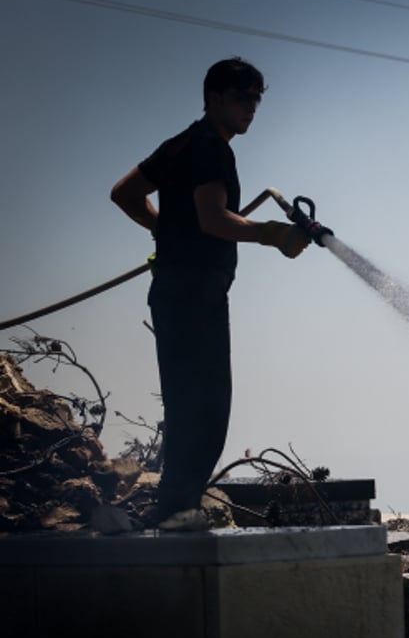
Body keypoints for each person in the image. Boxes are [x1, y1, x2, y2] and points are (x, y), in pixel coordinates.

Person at [111, 57, 310, 528]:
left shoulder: (179, 144)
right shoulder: (211, 149)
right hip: (197, 294)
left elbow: (124, 193)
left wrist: (167, 232)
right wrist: (274, 235)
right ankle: (177, 513)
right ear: (214, 97)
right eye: (242, 97)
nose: (252, 108)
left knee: (186, 404)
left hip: (173, 290)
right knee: (207, 408)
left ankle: (173, 509)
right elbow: (213, 218)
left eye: (257, 99)